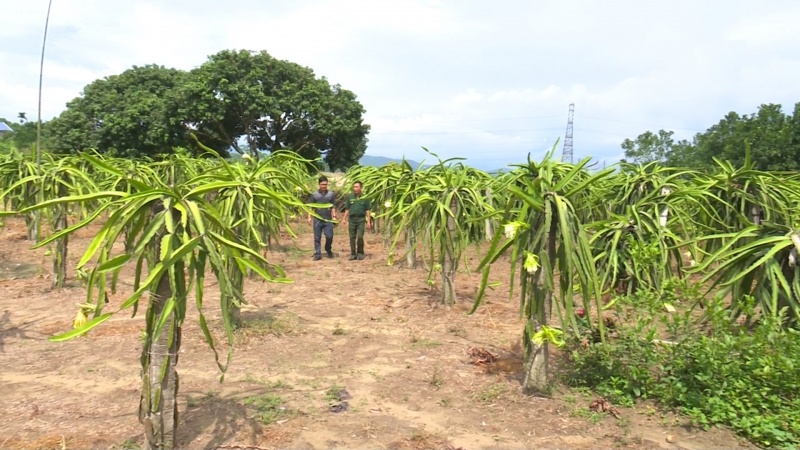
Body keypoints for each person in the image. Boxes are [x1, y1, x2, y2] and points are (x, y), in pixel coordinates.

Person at [307, 175, 337, 260]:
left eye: (325, 184)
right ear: (319, 184)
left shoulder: (330, 194)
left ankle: (328, 248)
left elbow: (333, 206)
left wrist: (334, 217)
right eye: (322, 184)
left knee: (329, 236)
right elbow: (310, 207)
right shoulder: (315, 195)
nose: (324, 186)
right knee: (317, 237)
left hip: (328, 218)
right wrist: (309, 217)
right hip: (317, 219)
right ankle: (318, 253)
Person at [342, 181, 371, 260]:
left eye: (357, 187)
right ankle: (353, 254)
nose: (355, 188)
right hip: (352, 220)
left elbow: (368, 210)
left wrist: (368, 221)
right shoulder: (350, 197)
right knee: (352, 237)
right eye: (354, 187)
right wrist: (344, 218)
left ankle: (360, 253)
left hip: (361, 220)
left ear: (361, 188)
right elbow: (347, 208)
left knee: (360, 236)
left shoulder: (365, 197)